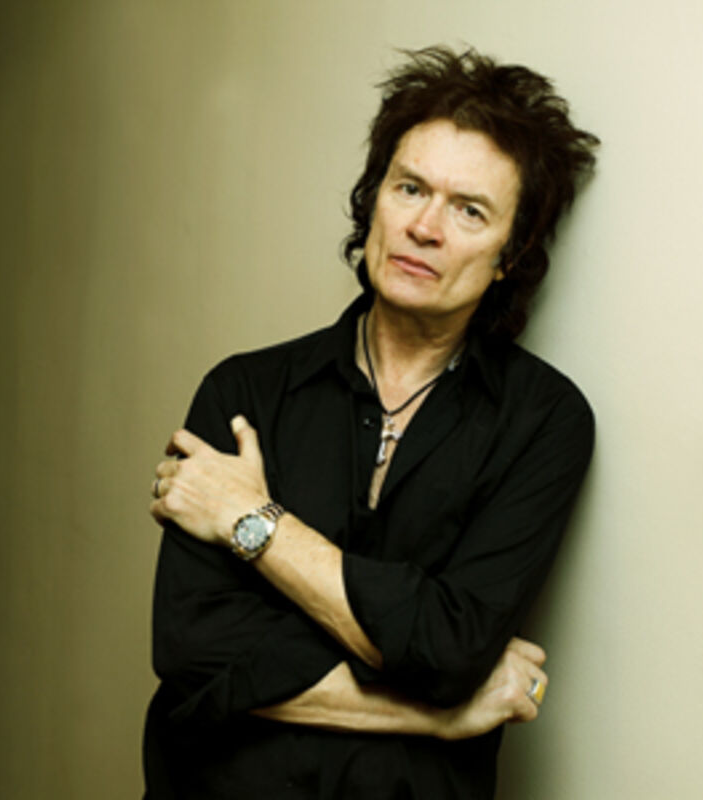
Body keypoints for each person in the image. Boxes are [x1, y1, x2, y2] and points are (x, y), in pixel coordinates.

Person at [144, 45, 599, 799]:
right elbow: (196, 654)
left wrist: (252, 522)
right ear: (374, 198)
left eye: (469, 210)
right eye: (409, 188)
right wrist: (437, 716)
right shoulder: (244, 392)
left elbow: (449, 652)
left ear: (512, 254)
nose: (424, 226)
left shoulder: (544, 422)